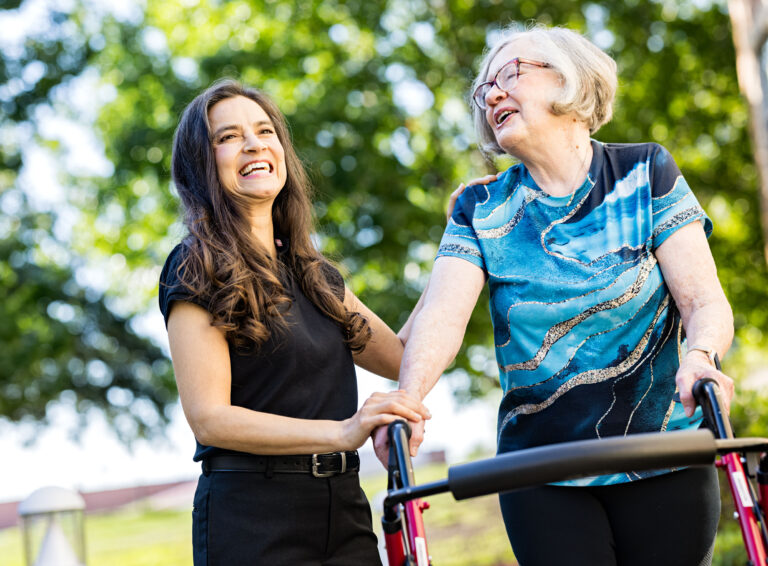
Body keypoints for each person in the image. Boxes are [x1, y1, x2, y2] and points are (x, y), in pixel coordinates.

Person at [374, 24, 735, 566]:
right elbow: (442, 319)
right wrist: (408, 401)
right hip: (539, 470)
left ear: (569, 79)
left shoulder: (645, 171)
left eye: (510, 74)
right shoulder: (481, 208)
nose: (492, 94)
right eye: (485, 88)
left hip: (664, 452)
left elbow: (703, 302)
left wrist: (701, 357)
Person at [158, 79, 430, 565]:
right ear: (201, 164)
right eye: (228, 136)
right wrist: (344, 431)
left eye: (265, 131)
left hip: (344, 509)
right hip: (254, 520)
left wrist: (461, 242)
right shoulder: (195, 266)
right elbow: (209, 418)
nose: (254, 144)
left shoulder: (314, 275)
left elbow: (403, 356)